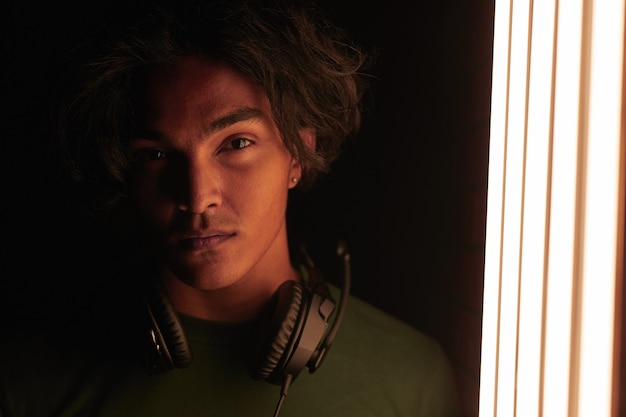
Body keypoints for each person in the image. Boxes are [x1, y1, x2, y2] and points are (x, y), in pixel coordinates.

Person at [0, 1, 459, 416]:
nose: (197, 198)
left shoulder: (413, 379)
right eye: (156, 155)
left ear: (298, 152)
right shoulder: (28, 375)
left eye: (236, 144)